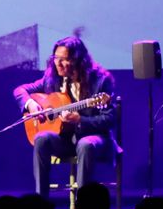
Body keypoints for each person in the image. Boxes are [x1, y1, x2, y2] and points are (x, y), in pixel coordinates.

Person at [13, 35, 116, 198]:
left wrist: (80, 120)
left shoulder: (101, 81)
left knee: (85, 144)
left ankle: (84, 204)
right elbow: (20, 91)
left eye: (64, 59)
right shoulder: (51, 79)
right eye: (56, 58)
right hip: (65, 139)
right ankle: (41, 203)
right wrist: (30, 105)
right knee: (41, 138)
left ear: (77, 60)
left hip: (94, 138)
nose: (58, 63)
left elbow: (110, 119)